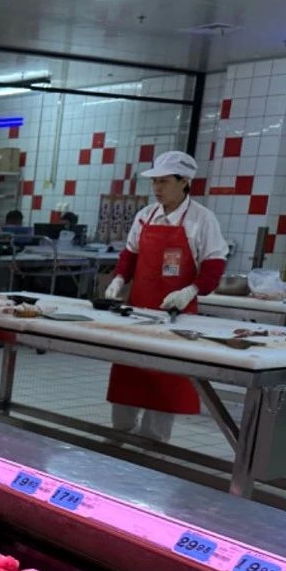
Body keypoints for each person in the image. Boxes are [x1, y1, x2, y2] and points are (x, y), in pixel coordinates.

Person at [103, 150, 227, 441]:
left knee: (164, 383)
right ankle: (118, 441)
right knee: (129, 376)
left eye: (164, 181)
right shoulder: (145, 216)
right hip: (137, 314)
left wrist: (191, 291)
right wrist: (118, 279)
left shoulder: (202, 220)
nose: (157, 189)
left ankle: (154, 449)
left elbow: (214, 266)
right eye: (154, 182)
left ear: (184, 182)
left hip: (176, 318)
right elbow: (129, 255)